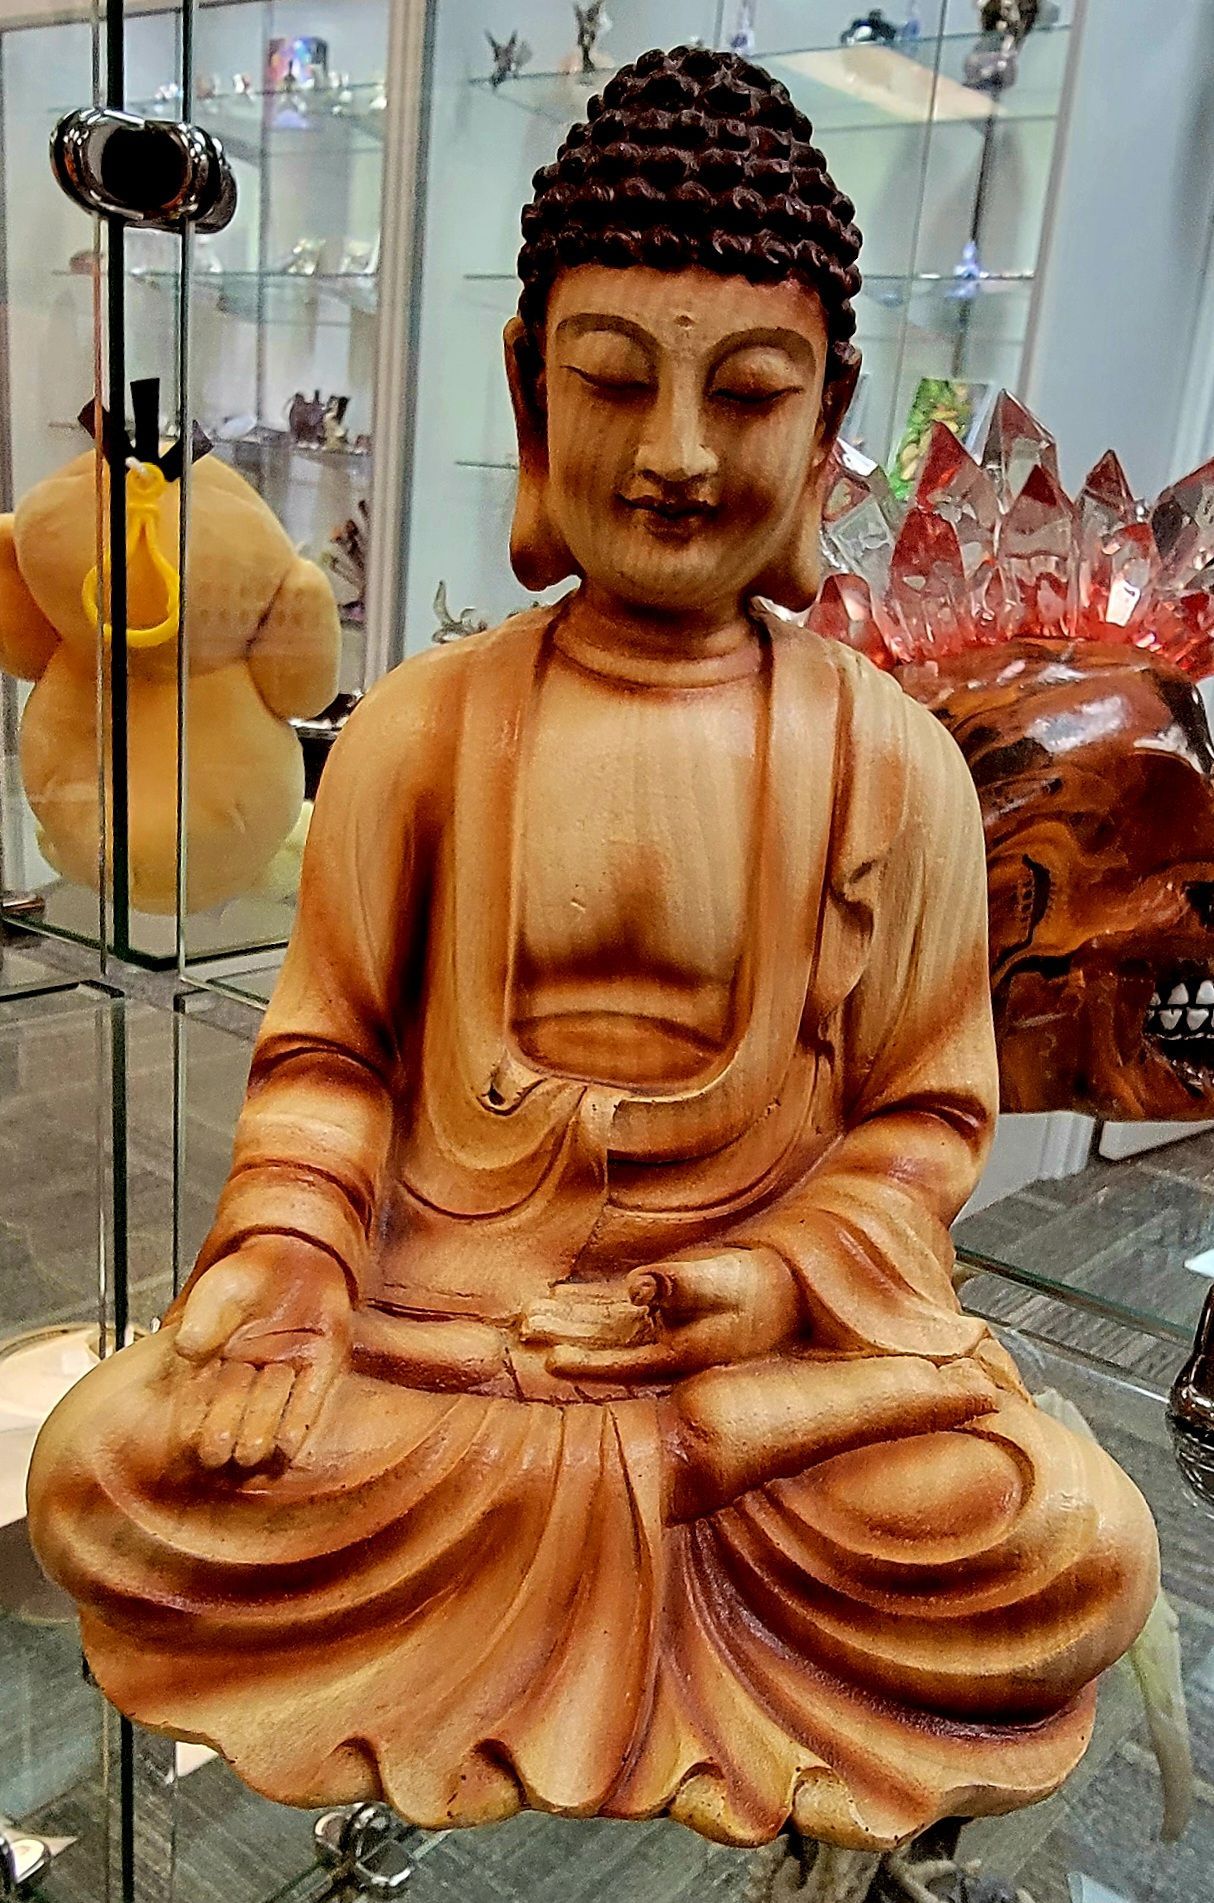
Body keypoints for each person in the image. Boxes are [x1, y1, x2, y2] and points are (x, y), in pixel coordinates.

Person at [29, 45, 1157, 1853]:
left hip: (740, 1371)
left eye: (751, 392)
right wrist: (297, 1267)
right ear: (528, 392)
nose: (679, 453)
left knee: (1055, 1542)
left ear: (828, 408)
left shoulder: (891, 762)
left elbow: (926, 1122)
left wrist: (776, 1281)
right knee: (108, 1468)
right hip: (439, 1330)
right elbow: (327, 1054)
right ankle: (636, 1580)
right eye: (615, 382)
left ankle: (644, 1546)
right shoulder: (416, 728)